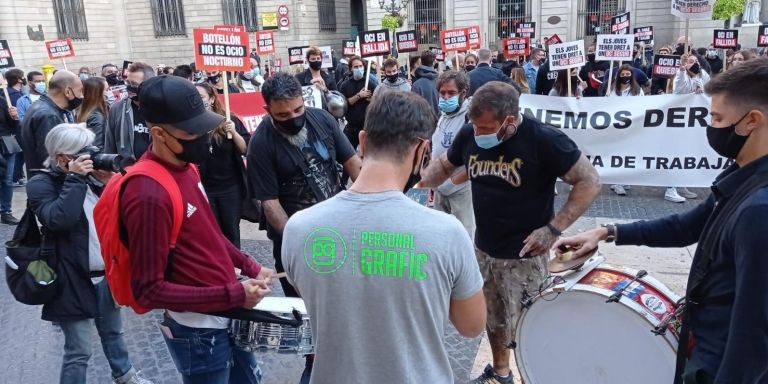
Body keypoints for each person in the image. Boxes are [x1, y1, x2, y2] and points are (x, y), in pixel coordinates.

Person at [554, 57, 768, 384]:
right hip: (704, 346)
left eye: (717, 117)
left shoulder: (759, 211)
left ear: (752, 120)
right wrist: (607, 231)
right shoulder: (740, 172)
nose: (711, 126)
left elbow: (753, 334)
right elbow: (687, 226)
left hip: (720, 364)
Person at [282, 90, 486, 383]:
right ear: (422, 151)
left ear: (363, 141)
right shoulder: (448, 233)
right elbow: (471, 325)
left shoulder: (299, 228)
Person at [418, 81, 601, 384]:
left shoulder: (544, 139)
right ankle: (501, 373)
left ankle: (543, 375)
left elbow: (590, 181)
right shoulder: (471, 131)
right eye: (474, 126)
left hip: (525, 254)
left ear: (510, 121)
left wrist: (554, 228)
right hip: (485, 247)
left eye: (486, 128)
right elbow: (446, 165)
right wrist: (415, 182)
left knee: (533, 324)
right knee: (494, 318)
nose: (478, 133)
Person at [121, 75, 273, 383]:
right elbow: (148, 289)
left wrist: (248, 264)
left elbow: (209, 234)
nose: (205, 135)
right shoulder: (148, 194)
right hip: (199, 334)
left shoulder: (188, 168)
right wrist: (233, 294)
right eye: (193, 131)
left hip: (228, 316)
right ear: (160, 134)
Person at [27, 123, 154, 384]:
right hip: (70, 279)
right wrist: (74, 178)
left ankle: (125, 376)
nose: (91, 156)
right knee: (79, 350)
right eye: (82, 152)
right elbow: (59, 219)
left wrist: (112, 184)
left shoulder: (92, 180)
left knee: (114, 332)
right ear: (62, 158)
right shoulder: (41, 183)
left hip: (105, 273)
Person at [248, 72, 361, 298]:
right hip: (296, 238)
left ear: (303, 99)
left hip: (338, 227)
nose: (293, 117)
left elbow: (352, 163)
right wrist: (297, 240)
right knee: (308, 307)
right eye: (283, 114)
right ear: (267, 110)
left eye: (298, 110)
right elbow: (270, 203)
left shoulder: (323, 119)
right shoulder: (260, 144)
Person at [196, 82, 250, 248]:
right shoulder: (191, 123)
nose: (198, 101)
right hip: (205, 189)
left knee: (231, 230)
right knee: (212, 233)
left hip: (229, 188)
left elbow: (245, 148)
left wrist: (233, 132)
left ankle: (236, 268)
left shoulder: (228, 120)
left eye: (202, 97)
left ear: (212, 98)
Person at [432, 70, 475, 238]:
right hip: (439, 189)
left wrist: (452, 182)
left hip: (460, 190)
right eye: (442, 93)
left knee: (464, 236)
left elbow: (474, 159)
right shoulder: (444, 115)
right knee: (442, 236)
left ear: (463, 93)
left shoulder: (470, 118)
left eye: (451, 93)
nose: (445, 97)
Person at [666, 53, 709, 203]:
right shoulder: (680, 75)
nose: (693, 63)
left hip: (693, 122)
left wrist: (701, 89)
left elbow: (709, 90)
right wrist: (683, 70)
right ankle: (669, 188)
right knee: (674, 152)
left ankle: (681, 183)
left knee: (686, 152)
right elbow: (679, 89)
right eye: (690, 61)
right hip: (677, 120)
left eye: (695, 61)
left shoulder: (702, 75)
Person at [21, 70, 79, 177]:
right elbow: (51, 157)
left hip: (41, 178)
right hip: (50, 181)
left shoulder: (41, 107)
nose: (82, 96)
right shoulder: (48, 115)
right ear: (68, 91)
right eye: (80, 91)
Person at [105, 62, 155, 161]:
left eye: (134, 84)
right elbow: (109, 145)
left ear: (149, 85)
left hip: (154, 170)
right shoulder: (117, 109)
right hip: (126, 172)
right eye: (128, 83)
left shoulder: (161, 108)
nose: (129, 87)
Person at [608, 65, 644, 197]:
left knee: (628, 153)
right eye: (622, 75)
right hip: (615, 128)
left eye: (627, 74)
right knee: (617, 153)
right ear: (618, 76)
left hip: (631, 127)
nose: (625, 77)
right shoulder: (612, 90)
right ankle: (617, 181)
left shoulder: (637, 90)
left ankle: (623, 179)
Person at [15, 70, 47, 185]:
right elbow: (22, 121)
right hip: (32, 143)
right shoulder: (22, 101)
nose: (41, 83)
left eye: (43, 81)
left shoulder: (50, 97)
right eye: (38, 81)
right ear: (30, 83)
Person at [339, 56, 377, 151]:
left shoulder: (370, 84)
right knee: (347, 153)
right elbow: (345, 104)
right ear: (351, 69)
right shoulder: (345, 85)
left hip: (368, 127)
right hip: (352, 127)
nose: (359, 69)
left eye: (360, 66)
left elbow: (379, 100)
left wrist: (373, 99)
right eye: (356, 67)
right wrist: (359, 96)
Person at [0, 95, 19, 224]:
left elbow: (13, 125)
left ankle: (6, 211)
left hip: (6, 142)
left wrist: (14, 116)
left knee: (7, 179)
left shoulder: (2, 100)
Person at [76, 77, 108, 150]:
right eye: (106, 90)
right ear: (98, 93)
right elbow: (98, 146)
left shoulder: (80, 111)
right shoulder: (97, 117)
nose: (108, 93)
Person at [412, 50, 440, 117]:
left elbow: (413, 108)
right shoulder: (441, 82)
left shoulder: (416, 85)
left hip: (423, 123)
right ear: (434, 62)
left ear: (421, 62)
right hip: (440, 122)